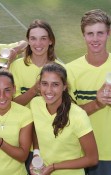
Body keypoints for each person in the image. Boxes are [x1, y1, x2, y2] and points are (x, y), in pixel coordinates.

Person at [30, 63, 98, 175]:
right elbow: (35, 130)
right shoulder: (35, 104)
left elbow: (92, 158)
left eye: (55, 84)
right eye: (44, 84)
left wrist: (54, 167)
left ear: (64, 86)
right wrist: (36, 155)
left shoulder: (78, 115)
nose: (49, 90)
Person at [66, 9, 111, 175]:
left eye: (100, 33)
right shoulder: (70, 70)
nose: (95, 39)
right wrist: (97, 103)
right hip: (82, 153)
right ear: (83, 35)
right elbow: (68, 114)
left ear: (108, 33)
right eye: (90, 33)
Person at [10, 19, 63, 107]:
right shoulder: (15, 66)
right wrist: (34, 90)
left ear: (50, 41)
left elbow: (64, 105)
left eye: (43, 38)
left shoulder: (61, 69)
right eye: (33, 38)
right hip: (24, 121)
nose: (38, 43)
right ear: (29, 41)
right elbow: (13, 104)